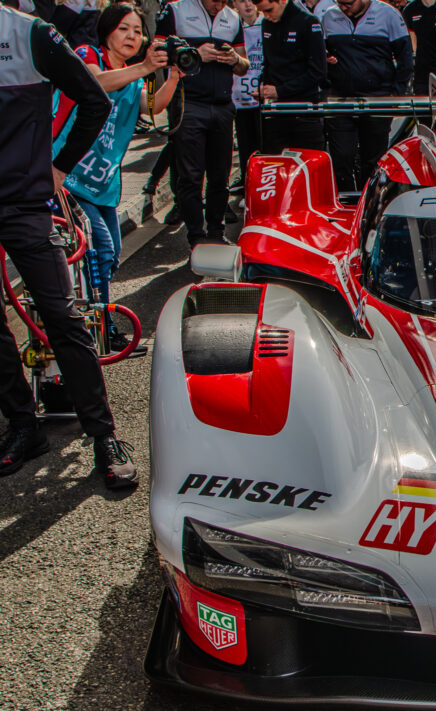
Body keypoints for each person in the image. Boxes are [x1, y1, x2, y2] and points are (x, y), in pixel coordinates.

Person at [0, 3, 138, 488]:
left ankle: (103, 435)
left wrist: (58, 167)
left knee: (61, 315)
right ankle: (23, 425)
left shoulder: (28, 33)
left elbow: (93, 101)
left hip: (22, 200)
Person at [52, 2, 181, 355]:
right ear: (107, 30)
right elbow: (94, 82)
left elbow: (152, 107)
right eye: (124, 28)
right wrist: (144, 66)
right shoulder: (86, 53)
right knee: (101, 250)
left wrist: (171, 76)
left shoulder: (132, 73)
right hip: (69, 177)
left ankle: (94, 325)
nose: (132, 36)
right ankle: (99, 332)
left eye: (138, 31)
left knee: (110, 255)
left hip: (104, 185)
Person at [155, 0, 250, 248]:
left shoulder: (232, 16)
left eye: (223, 0)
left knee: (220, 176)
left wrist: (233, 60)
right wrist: (195, 54)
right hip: (189, 104)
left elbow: (244, 65)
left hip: (222, 104)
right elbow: (154, 54)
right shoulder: (175, 10)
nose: (218, 5)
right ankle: (195, 235)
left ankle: (217, 232)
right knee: (191, 177)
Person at [322, 0, 413, 191]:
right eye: (340, 3)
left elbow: (405, 58)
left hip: (377, 98)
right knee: (341, 156)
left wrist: (395, 95)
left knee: (373, 158)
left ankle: (369, 199)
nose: (344, 7)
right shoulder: (329, 16)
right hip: (341, 99)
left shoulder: (389, 15)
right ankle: (346, 199)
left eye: (348, 3)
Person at [254, 0, 326, 152]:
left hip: (304, 110)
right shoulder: (266, 24)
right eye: (262, 12)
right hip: (275, 112)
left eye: (269, 10)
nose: (266, 16)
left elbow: (318, 71)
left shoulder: (308, 22)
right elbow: (268, 64)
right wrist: (264, 89)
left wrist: (280, 90)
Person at [230, 0, 261, 193]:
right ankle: (247, 184)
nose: (248, 5)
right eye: (242, 1)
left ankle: (260, 187)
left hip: (262, 96)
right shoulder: (232, 24)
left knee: (262, 145)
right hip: (238, 96)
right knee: (245, 145)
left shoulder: (267, 23)